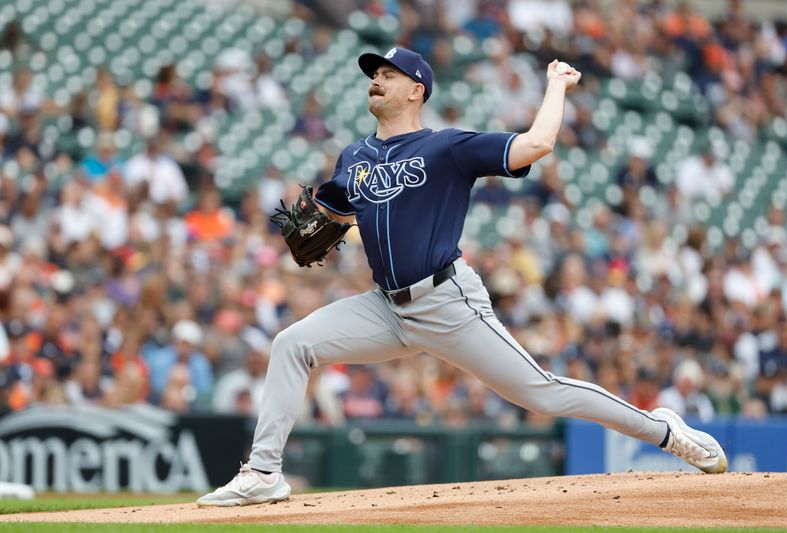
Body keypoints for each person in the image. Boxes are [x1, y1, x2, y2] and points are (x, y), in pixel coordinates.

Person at [198, 46, 726, 507]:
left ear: (416, 90)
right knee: (292, 343)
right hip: (386, 307)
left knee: (542, 393)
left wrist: (556, 85)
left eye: (388, 73)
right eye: (373, 73)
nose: (375, 79)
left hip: (448, 301)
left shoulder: (447, 147)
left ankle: (664, 432)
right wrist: (318, 220)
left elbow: (537, 143)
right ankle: (263, 473)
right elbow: (329, 209)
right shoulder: (354, 156)